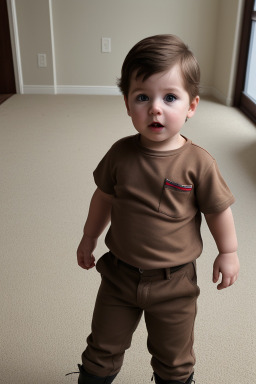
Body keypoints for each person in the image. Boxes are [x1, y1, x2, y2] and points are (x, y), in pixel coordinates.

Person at [76, 34, 240, 384]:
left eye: (169, 97)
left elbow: (217, 210)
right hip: (118, 277)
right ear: (127, 103)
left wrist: (229, 251)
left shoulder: (199, 163)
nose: (155, 108)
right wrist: (89, 237)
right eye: (142, 97)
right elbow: (103, 197)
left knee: (174, 359)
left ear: (191, 106)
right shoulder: (120, 154)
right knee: (101, 349)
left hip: (175, 282)